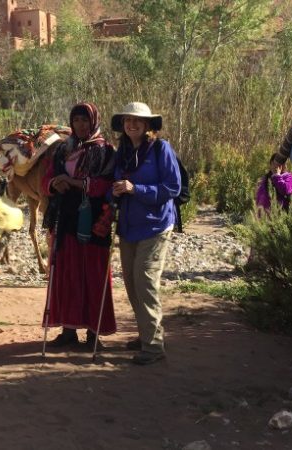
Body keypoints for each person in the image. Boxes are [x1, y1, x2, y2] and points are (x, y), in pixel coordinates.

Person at [42, 102, 117, 350]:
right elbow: (46, 179)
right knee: (68, 273)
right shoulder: (63, 149)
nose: (81, 125)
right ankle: (68, 330)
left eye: (85, 120)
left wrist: (72, 182)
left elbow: (104, 186)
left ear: (94, 121)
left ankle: (94, 333)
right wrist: (55, 183)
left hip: (94, 222)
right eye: (77, 121)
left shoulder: (105, 151)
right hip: (65, 220)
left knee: (93, 275)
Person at [111, 102, 181, 365]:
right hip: (129, 226)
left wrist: (136, 189)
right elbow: (116, 184)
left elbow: (172, 187)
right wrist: (115, 191)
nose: (132, 124)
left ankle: (153, 347)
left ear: (148, 124)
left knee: (145, 282)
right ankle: (146, 335)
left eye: (138, 120)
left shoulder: (161, 149)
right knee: (131, 283)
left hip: (155, 226)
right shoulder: (124, 152)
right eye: (128, 120)